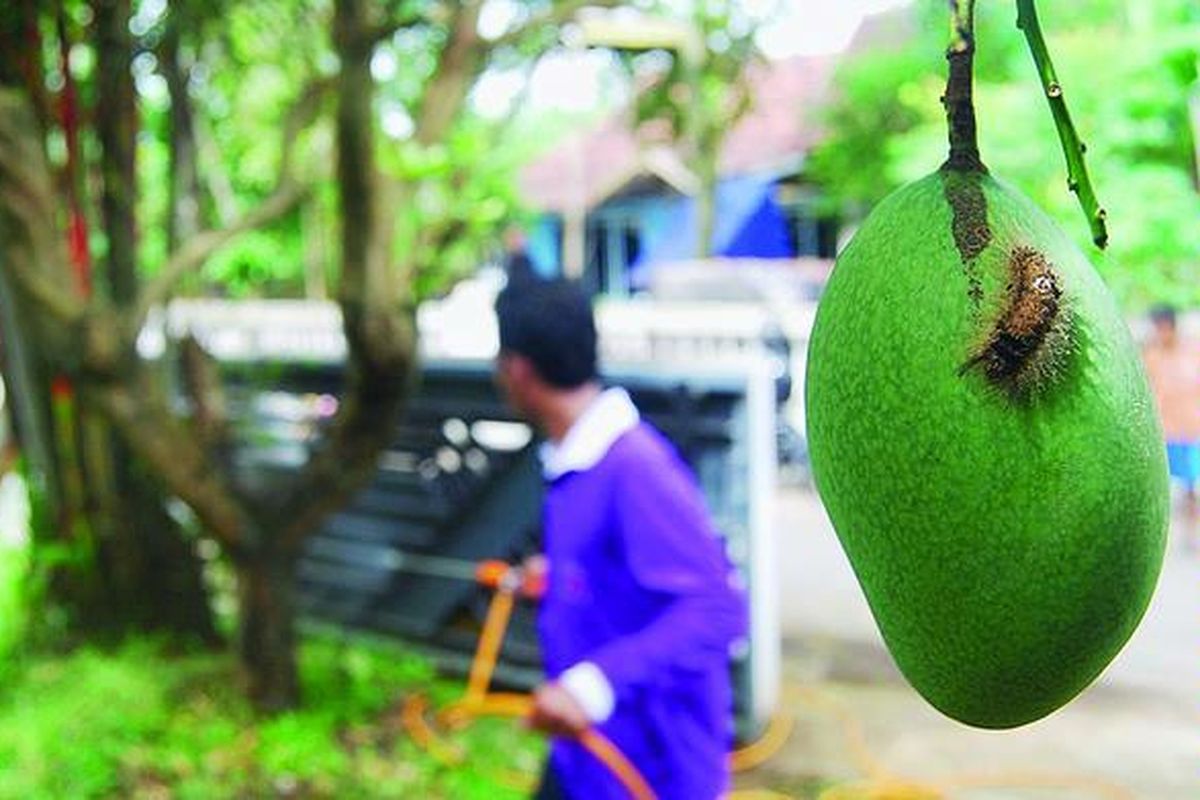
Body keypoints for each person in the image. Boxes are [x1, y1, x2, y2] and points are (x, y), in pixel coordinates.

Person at [493, 279, 748, 800]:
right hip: (585, 758)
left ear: (517, 369)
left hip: (650, 772)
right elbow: (632, 574)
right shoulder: (578, 460)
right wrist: (565, 578)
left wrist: (592, 686)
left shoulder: (635, 470)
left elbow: (716, 610)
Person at [1142, 304, 1200, 549]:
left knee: (1191, 485)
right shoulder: (1152, 356)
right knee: (1164, 487)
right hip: (1167, 433)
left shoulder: (1192, 352)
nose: (1159, 332)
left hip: (1192, 431)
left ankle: (1192, 533)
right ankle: (1166, 537)